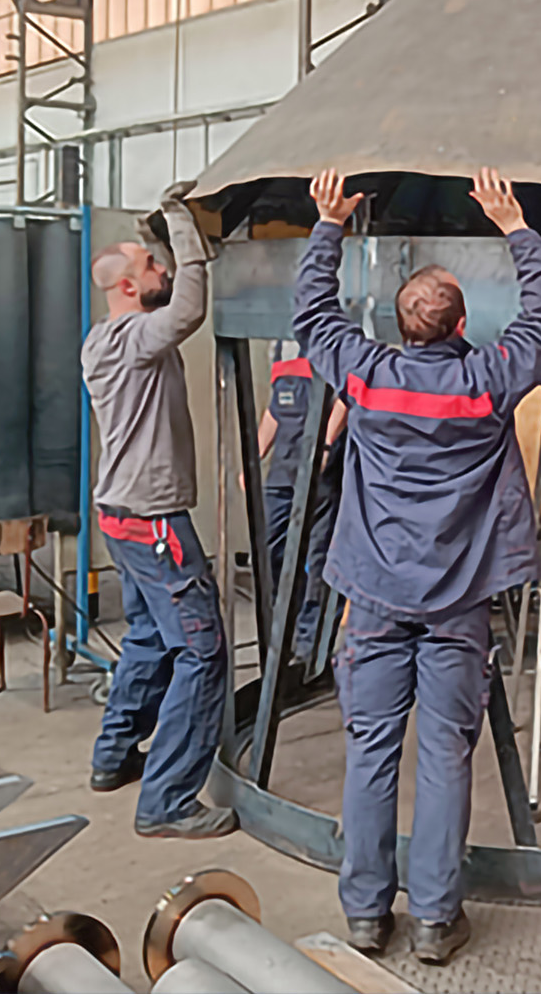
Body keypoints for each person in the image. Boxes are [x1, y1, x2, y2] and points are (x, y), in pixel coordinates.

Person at [293, 166, 541, 965]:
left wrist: (328, 226)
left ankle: (364, 914)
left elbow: (311, 312)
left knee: (370, 749)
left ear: (397, 322)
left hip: (376, 595)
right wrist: (515, 226)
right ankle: (435, 921)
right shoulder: (485, 383)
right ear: (462, 323)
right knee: (446, 755)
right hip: (457, 602)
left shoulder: (367, 376)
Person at [84, 184, 236, 840]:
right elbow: (189, 309)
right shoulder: (133, 338)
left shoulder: (102, 340)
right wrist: (179, 220)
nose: (164, 269)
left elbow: (174, 302)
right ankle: (168, 801)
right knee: (203, 652)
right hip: (153, 523)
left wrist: (174, 242)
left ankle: (113, 757)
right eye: (152, 264)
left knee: (149, 636)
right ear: (126, 286)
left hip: (122, 517)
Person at [255, 356, 348, 661]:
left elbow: (347, 397)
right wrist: (255, 455)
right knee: (271, 554)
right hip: (282, 474)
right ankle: (284, 641)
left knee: (319, 560)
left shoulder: (333, 343)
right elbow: (276, 409)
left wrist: (326, 444)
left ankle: (311, 653)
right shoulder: (280, 347)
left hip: (321, 474)